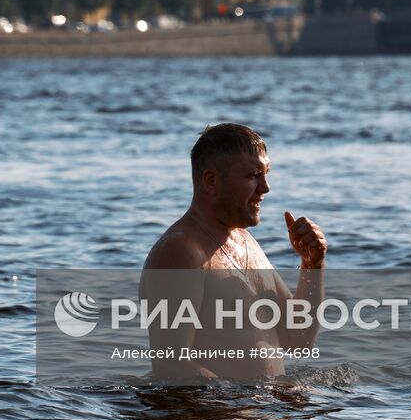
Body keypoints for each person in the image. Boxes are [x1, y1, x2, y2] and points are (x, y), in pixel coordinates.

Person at [140, 122, 327, 381]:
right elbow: (171, 366)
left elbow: (298, 340)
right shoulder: (181, 252)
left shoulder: (246, 242)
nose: (265, 188)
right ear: (211, 181)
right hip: (210, 419)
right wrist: (245, 402)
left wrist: (312, 265)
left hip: (255, 415)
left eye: (266, 174)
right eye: (253, 176)